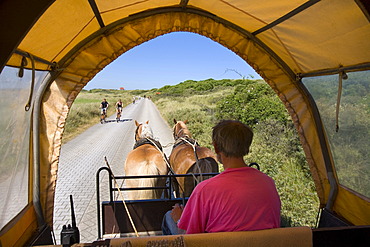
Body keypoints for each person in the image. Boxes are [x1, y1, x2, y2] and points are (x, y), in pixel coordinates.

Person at [162, 120, 281, 235]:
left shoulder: (204, 190)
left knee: (168, 216)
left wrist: (178, 219)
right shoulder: (268, 183)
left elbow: (191, 236)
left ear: (216, 147)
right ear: (247, 147)